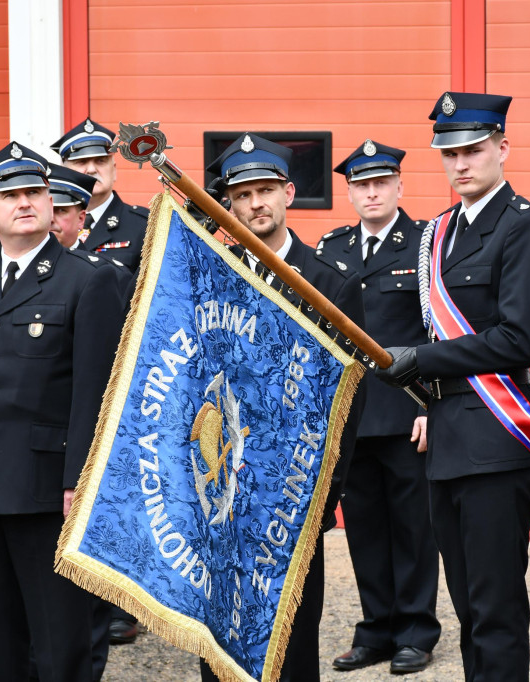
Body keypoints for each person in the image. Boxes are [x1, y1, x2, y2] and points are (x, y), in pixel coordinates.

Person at [0, 142, 130, 682]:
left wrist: (80, 482)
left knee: (59, 641)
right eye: (9, 195)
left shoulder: (88, 278)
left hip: (48, 487)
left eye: (34, 192)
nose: (24, 203)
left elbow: (96, 394)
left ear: (51, 204)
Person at [375, 92, 530, 681]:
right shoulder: (440, 232)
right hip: (447, 440)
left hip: (497, 440)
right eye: (449, 153)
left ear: (502, 148)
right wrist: (427, 396)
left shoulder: (525, 228)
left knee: (496, 608)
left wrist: (424, 358)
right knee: (466, 608)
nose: (461, 164)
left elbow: (518, 339)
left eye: (473, 150)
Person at [198, 132, 366, 682]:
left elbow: (349, 402)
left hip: (291, 494)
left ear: (290, 193)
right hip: (218, 491)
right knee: (217, 631)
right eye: (242, 195)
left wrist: (325, 494)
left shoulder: (329, 286)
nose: (255, 204)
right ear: (228, 203)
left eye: (266, 190)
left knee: (290, 640)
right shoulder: (209, 278)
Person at [323, 139, 440, 674]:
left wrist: (430, 405)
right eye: (361, 185)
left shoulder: (426, 244)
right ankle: (376, 630)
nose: (371, 192)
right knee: (365, 528)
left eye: (380, 182)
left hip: (407, 412)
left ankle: (415, 631)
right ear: (349, 193)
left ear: (399, 186)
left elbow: (440, 331)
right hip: (353, 417)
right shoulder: (331, 247)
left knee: (414, 528)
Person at [51, 116, 146, 647]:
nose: (89, 169)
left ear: (113, 164)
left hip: (122, 374)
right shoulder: (40, 235)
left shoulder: (138, 221)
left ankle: (119, 601)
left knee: (116, 501)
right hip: (66, 377)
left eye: (97, 160)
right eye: (78, 163)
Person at [51, 117, 148, 271]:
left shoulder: (144, 225)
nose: (91, 170)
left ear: (114, 170)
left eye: (100, 161)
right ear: (64, 172)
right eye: (81, 162)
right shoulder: (46, 225)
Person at [47, 162, 97, 249]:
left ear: (81, 219)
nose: (50, 219)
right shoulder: (19, 261)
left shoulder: (95, 263)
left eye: (61, 210)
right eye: (45, 210)